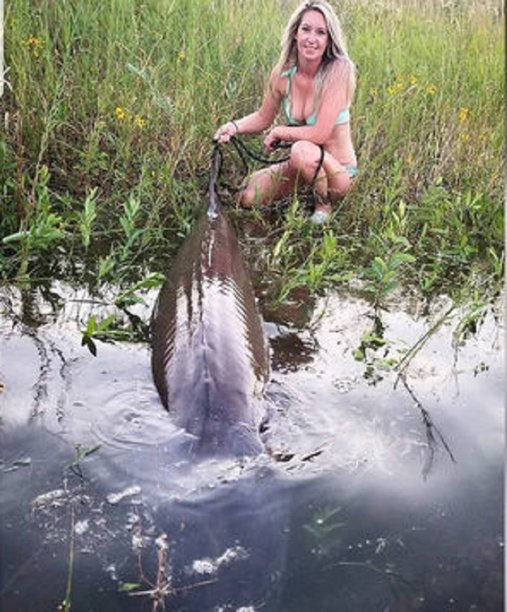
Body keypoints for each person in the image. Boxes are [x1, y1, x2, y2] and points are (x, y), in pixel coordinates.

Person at [214, 0, 357, 225]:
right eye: (306, 29)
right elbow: (263, 117)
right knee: (246, 196)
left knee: (300, 150)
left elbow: (319, 134)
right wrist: (233, 127)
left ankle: (323, 205)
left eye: (321, 32)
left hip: (337, 175)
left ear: (329, 39)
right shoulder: (282, 74)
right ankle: (305, 190)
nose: (312, 38)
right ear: (295, 34)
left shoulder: (338, 70)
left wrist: (281, 132)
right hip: (301, 165)